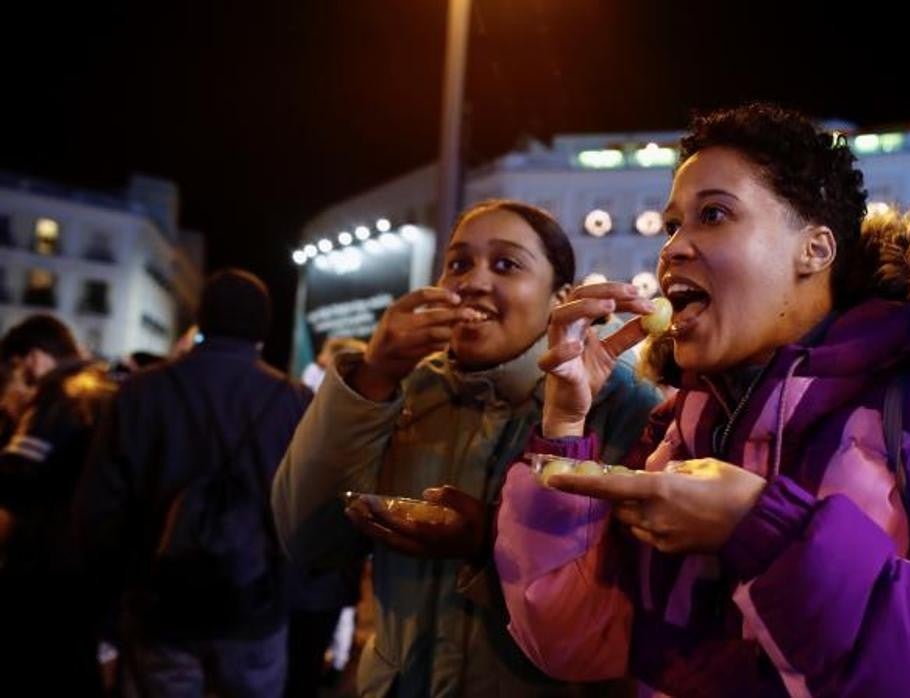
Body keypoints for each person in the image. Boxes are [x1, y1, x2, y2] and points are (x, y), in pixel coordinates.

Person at [495, 104, 910, 696]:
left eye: (713, 215)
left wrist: (769, 535)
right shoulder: (676, 426)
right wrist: (565, 422)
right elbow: (570, 643)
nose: (672, 248)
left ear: (814, 250)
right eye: (673, 223)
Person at [272, 199, 663, 696]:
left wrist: (489, 545)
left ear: (559, 297)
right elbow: (308, 540)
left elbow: (633, 602)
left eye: (506, 264)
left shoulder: (619, 404)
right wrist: (372, 376)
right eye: (459, 264)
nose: (474, 282)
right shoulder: (406, 390)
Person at [76, 269, 312, 697]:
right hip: (254, 607)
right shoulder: (292, 400)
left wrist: (110, 609)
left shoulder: (140, 392)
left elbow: (100, 511)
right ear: (264, 326)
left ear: (200, 319)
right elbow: (307, 510)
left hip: (159, 609)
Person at [0, 313, 116, 696]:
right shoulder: (107, 388)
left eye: (18, 367)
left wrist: (11, 415)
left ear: (31, 358)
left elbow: (14, 477)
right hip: (96, 561)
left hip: (45, 565)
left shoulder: (59, 393)